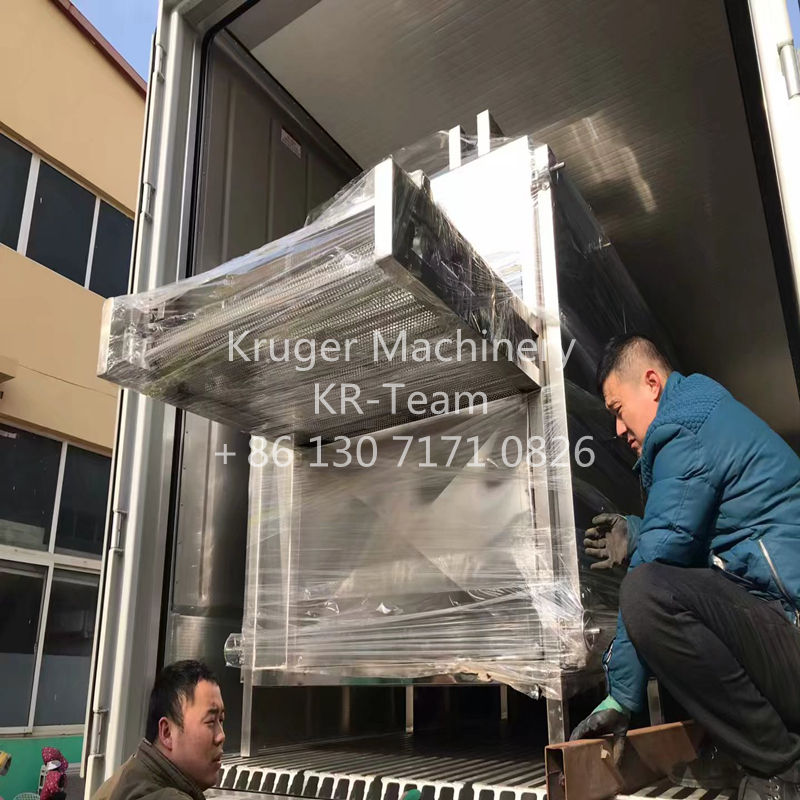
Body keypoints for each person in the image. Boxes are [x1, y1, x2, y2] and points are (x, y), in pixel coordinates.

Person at [570, 334, 800, 800]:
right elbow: (701, 537)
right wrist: (638, 531)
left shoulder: (683, 430)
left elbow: (662, 560)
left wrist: (621, 696)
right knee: (666, 588)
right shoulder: (702, 414)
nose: (618, 428)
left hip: (792, 627)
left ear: (651, 383)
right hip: (784, 624)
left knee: (648, 596)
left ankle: (780, 766)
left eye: (618, 409)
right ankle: (746, 749)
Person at [92, 660, 225, 800]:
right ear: (167, 733)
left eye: (221, 720)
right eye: (210, 721)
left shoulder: (129, 775)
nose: (221, 736)